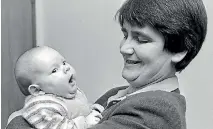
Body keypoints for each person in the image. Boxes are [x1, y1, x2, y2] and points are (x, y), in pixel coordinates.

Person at [6, 0, 207, 128]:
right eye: (125, 34)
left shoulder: (155, 111)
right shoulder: (119, 93)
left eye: (142, 39)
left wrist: (17, 118)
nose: (124, 48)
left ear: (180, 50)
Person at [6, 46, 104, 129]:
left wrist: (89, 109)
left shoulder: (66, 92)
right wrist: (85, 122)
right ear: (37, 90)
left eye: (64, 63)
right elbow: (58, 126)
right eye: (54, 70)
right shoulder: (42, 107)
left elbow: (75, 109)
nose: (66, 68)